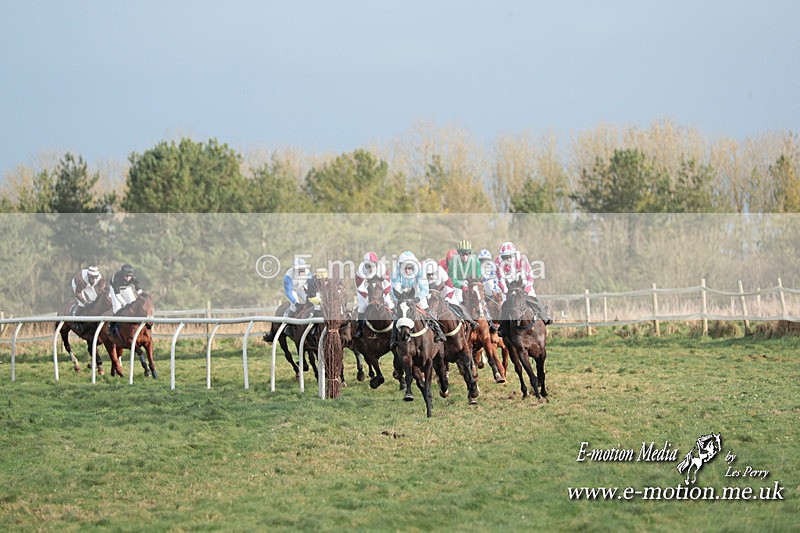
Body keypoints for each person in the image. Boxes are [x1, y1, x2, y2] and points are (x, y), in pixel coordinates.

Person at [390, 251, 446, 345]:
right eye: (404, 267)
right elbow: (394, 290)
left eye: (409, 268)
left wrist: (417, 299)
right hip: (402, 295)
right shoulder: (395, 271)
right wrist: (401, 300)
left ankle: (439, 332)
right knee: (398, 313)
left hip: (416, 292)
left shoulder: (420, 269)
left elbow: (424, 289)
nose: (407, 270)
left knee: (427, 311)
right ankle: (393, 339)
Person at [495, 241, 552, 327]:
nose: (508, 259)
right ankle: (502, 328)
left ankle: (544, 316)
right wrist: (508, 293)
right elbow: (500, 281)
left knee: (533, 299)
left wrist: (526, 291)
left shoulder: (522, 259)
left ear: (514, 255)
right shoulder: (498, 263)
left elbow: (529, 277)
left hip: (523, 284)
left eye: (510, 256)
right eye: (505, 257)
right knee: (504, 306)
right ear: (501, 257)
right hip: (509, 288)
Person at [354, 252, 393, 338]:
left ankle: (396, 326)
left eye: (372, 265)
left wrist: (383, 295)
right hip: (365, 290)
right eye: (367, 266)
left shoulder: (382, 268)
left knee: (389, 303)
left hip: (380, 289)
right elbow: (360, 287)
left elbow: (388, 283)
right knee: (363, 306)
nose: (370, 268)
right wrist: (368, 297)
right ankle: (359, 329)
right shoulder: (361, 270)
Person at [108, 264, 143, 338]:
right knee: (117, 309)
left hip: (126, 288)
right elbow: (117, 294)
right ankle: (112, 327)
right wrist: (124, 303)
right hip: (115, 290)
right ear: (122, 274)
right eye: (126, 276)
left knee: (134, 304)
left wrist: (141, 295)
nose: (128, 278)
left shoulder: (132, 277)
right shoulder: (117, 278)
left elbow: (138, 287)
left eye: (129, 276)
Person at [447, 239, 481, 304]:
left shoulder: (476, 261)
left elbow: (478, 276)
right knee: (459, 298)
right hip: (457, 284)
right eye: (463, 255)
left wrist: (472, 284)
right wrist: (461, 286)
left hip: (470, 282)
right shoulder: (453, 261)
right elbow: (452, 279)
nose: (465, 257)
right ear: (459, 254)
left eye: (467, 254)